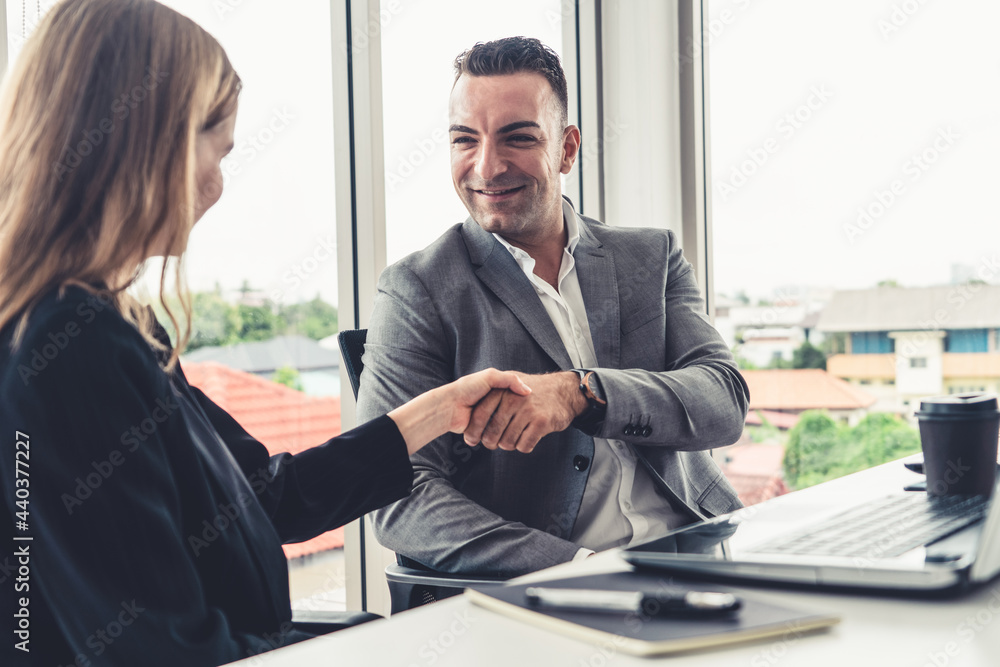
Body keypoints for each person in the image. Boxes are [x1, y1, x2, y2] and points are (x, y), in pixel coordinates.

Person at [0, 2, 531, 665]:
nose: (216, 186)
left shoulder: (109, 326)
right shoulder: (68, 350)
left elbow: (265, 496)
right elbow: (160, 650)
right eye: (213, 151)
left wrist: (439, 411)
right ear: (143, 139)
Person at [357, 37, 750, 578]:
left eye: (517, 138)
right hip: (555, 583)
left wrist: (581, 393)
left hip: (701, 548)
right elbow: (399, 497)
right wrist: (577, 568)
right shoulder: (416, 289)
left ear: (567, 148)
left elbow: (723, 401)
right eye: (464, 140)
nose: (486, 167)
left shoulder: (651, 256)